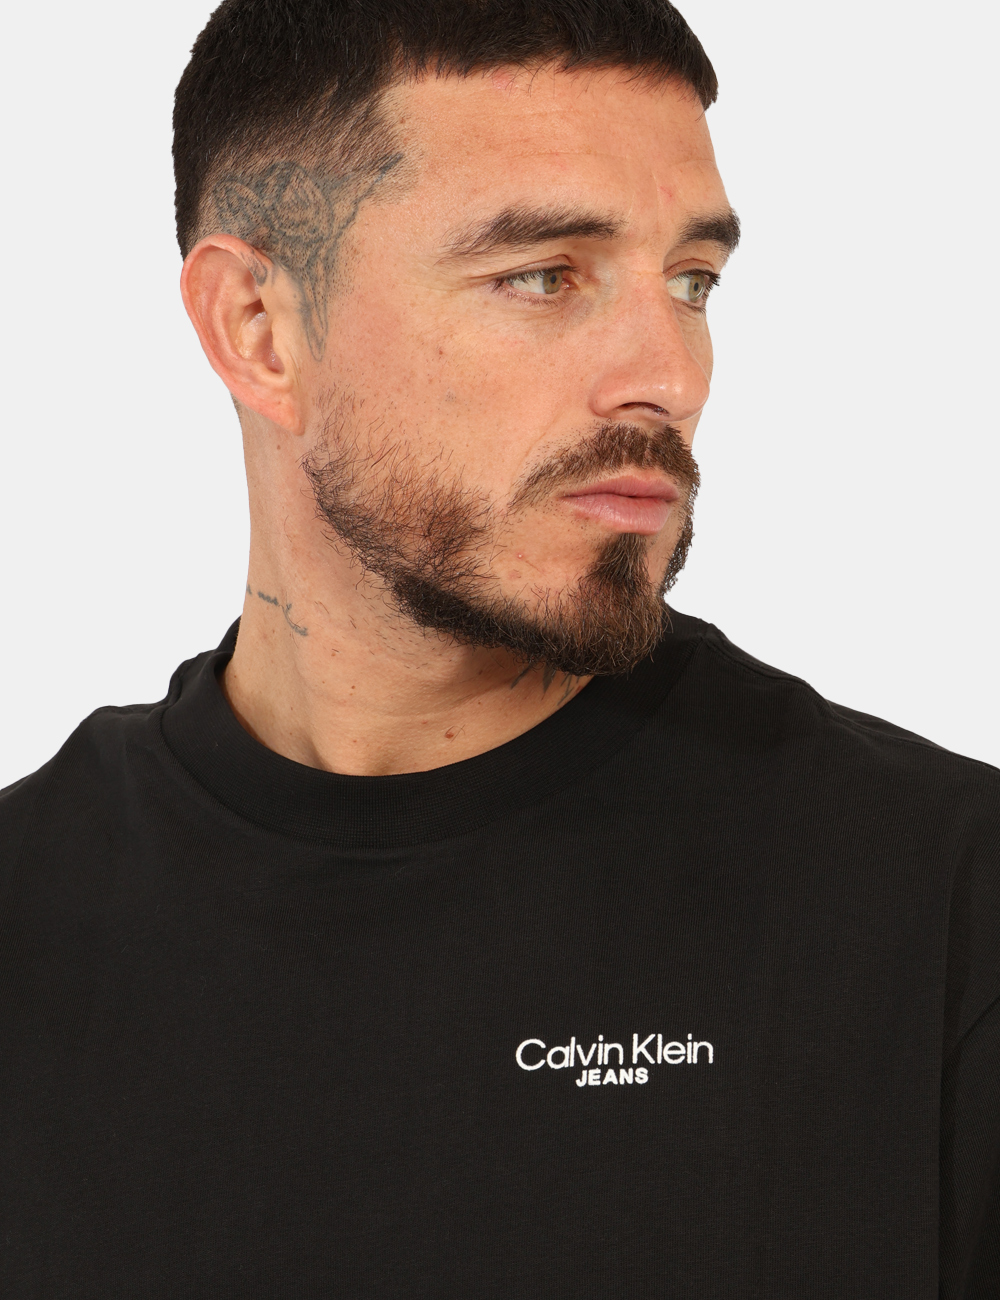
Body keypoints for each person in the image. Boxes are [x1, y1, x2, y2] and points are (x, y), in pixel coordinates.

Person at [0, 0, 996, 1293]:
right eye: (545, 275)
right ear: (257, 327)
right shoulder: (29, 919)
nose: (670, 375)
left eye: (692, 281)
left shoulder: (946, 909)